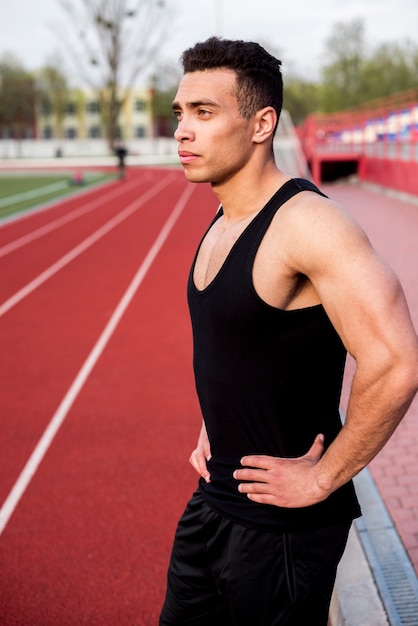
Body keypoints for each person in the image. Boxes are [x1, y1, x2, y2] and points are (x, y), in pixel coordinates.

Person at [160, 37, 418, 626]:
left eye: (204, 113)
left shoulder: (310, 224)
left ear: (262, 124)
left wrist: (325, 476)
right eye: (180, 114)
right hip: (217, 500)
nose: (182, 131)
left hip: (280, 528)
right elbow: (249, 342)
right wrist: (217, 418)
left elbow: (398, 361)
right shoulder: (226, 216)